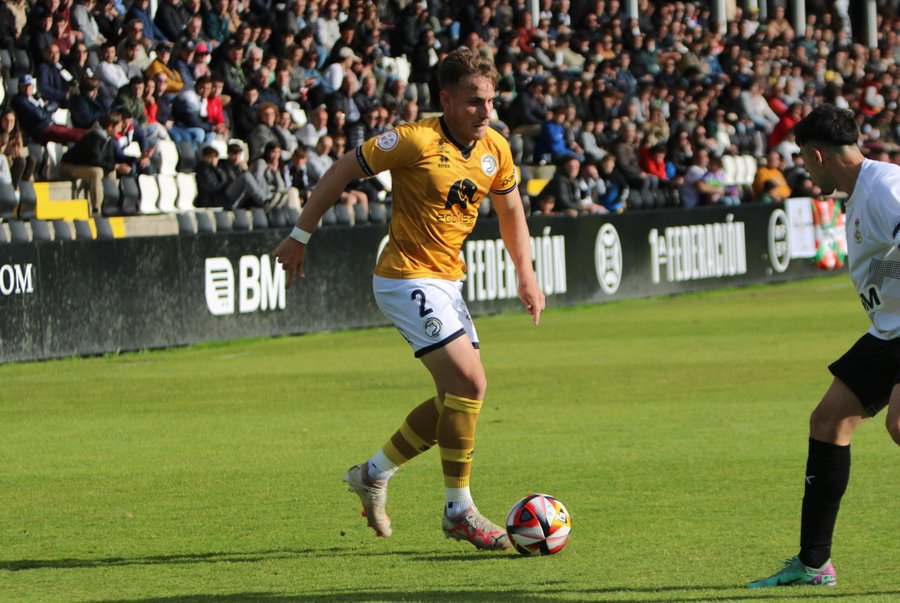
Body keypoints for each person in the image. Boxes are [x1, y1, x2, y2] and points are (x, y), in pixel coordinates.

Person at [274, 48, 545, 551]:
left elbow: (511, 211)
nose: (486, 112)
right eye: (474, 102)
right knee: (471, 382)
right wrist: (299, 235)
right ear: (447, 100)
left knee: (454, 401)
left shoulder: (496, 148)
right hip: (404, 277)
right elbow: (341, 170)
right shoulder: (414, 139)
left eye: (490, 101)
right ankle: (459, 511)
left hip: (447, 281)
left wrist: (525, 274)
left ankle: (372, 474)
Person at [747, 104, 900, 589]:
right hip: (889, 331)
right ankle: (813, 565)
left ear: (817, 155)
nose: (804, 170)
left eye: (802, 159)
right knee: (829, 423)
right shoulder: (861, 192)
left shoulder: (884, 187)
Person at [57, 112, 132, 215]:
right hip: (68, 167)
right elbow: (95, 160)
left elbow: (110, 159)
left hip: (85, 166)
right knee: (97, 172)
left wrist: (118, 166)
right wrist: (116, 166)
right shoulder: (95, 137)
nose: (120, 130)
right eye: (119, 126)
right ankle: (96, 208)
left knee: (111, 171)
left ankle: (110, 204)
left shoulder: (109, 139)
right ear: (110, 127)